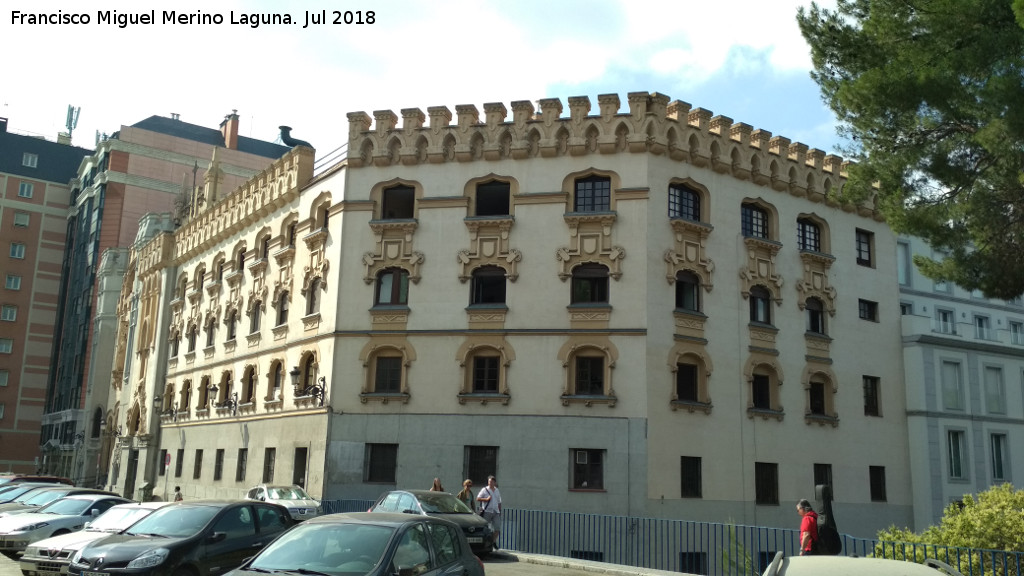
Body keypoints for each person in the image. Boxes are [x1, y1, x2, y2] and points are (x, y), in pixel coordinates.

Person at [477, 475, 502, 550]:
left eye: (491, 482)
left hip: (495, 511)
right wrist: (486, 499)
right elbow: (478, 498)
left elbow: (499, 501)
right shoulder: (484, 489)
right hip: (487, 510)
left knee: (497, 528)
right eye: (489, 481)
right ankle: (485, 543)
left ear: (494, 482)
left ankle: (493, 542)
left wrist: (499, 511)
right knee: (485, 528)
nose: (490, 483)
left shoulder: (497, 490)